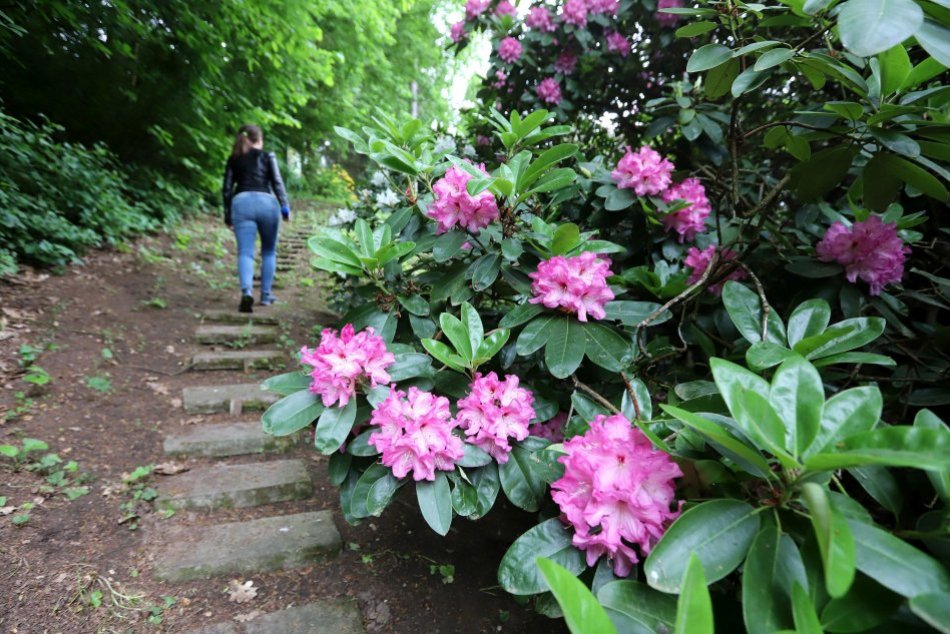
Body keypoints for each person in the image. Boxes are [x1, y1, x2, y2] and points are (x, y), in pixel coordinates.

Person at [222, 124, 291, 313]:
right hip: (267, 204)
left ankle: (247, 292)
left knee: (245, 252)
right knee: (268, 251)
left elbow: (227, 188)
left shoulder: (234, 158)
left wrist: (227, 215)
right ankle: (266, 295)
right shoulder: (268, 156)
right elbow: (277, 182)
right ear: (259, 140)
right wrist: (285, 207)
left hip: (241, 204)